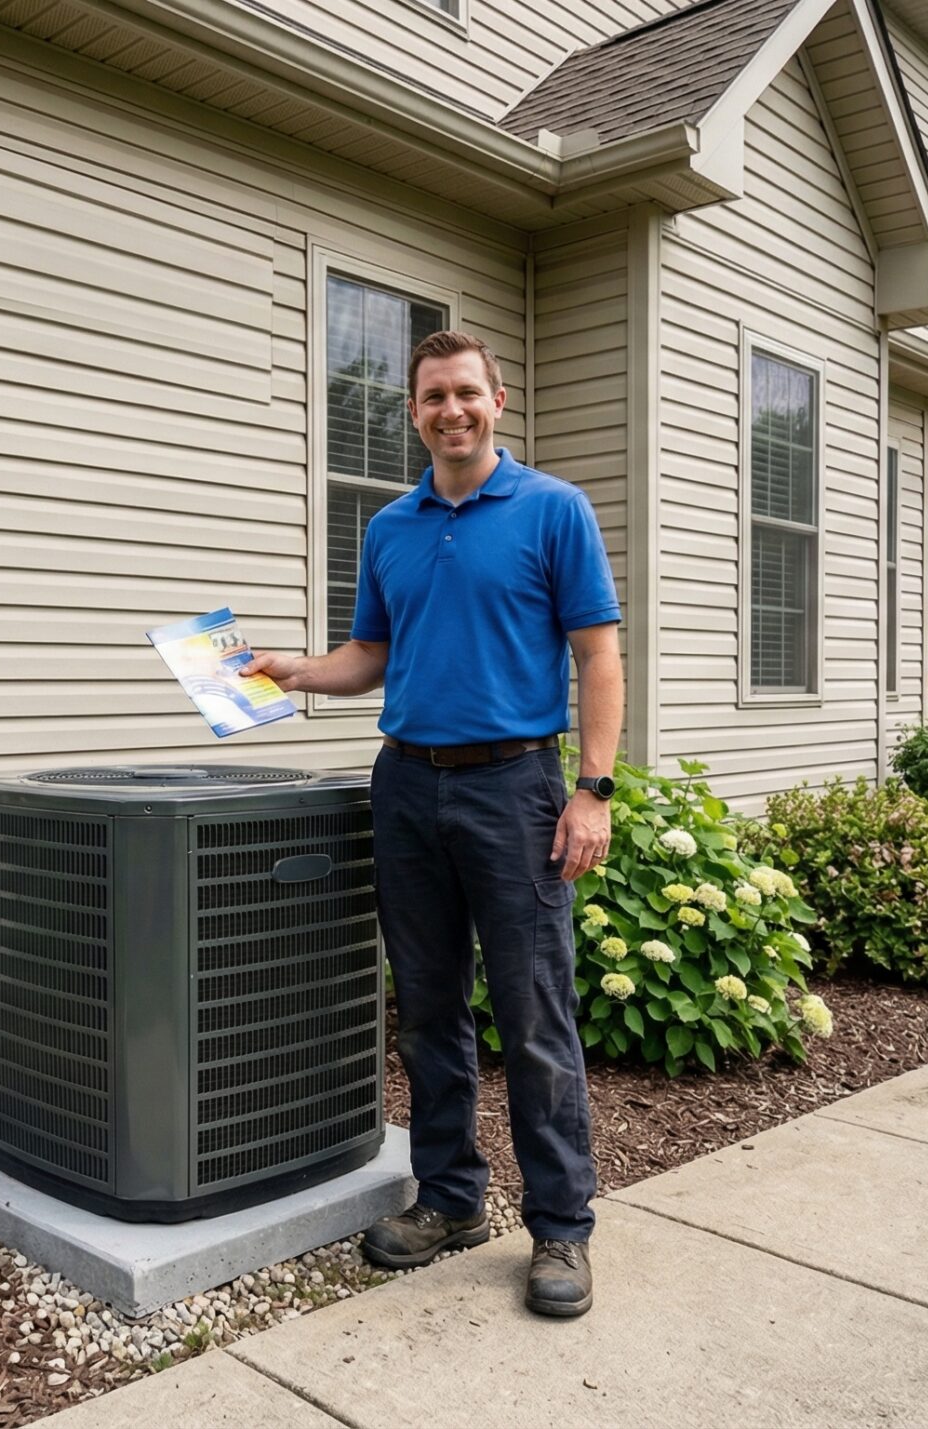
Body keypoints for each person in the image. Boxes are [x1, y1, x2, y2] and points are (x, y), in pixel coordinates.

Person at [243, 328, 621, 1318]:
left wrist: (593, 789)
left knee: (533, 1014)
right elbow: (369, 653)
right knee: (426, 1010)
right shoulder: (391, 527)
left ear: (497, 401)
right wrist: (291, 669)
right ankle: (450, 1199)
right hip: (406, 786)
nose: (450, 410)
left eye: (465, 392)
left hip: (515, 786)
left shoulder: (553, 510)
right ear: (413, 412)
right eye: (432, 397)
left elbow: (597, 655)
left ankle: (561, 1227)